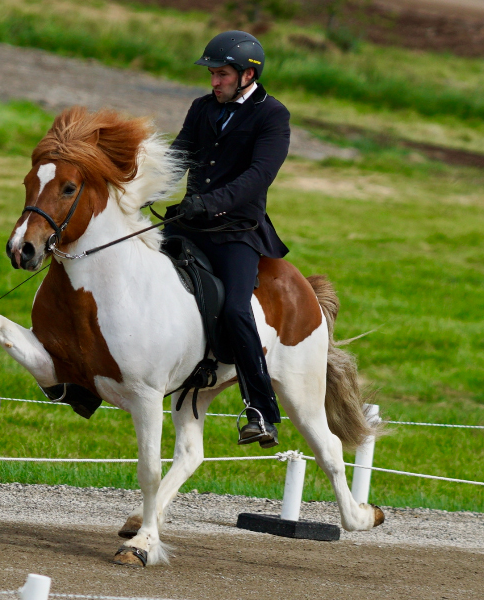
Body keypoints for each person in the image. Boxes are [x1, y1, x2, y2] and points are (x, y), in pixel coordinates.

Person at [166, 30, 291, 448]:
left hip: (236, 232)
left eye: (221, 74)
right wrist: (134, 192)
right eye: (212, 75)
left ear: (247, 74)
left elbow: (257, 178)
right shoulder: (202, 108)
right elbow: (179, 156)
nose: (214, 82)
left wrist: (209, 203)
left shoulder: (273, 116)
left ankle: (260, 410)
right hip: (188, 224)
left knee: (237, 308)